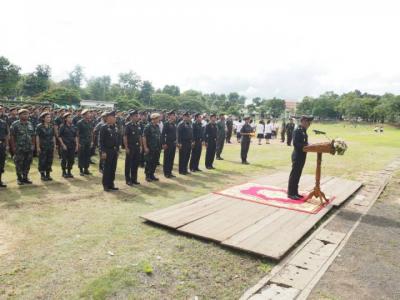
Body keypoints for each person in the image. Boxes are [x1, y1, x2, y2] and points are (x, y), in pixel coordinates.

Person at [287, 115, 313, 200]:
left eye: (309, 122)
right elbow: (296, 144)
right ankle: (291, 193)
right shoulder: (297, 130)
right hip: (297, 155)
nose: (308, 124)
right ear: (302, 121)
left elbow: (303, 142)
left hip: (302, 155)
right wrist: (306, 145)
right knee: (294, 174)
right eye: (307, 122)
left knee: (298, 174)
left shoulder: (303, 130)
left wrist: (308, 145)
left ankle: (295, 192)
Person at [10, 109, 35, 185]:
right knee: (19, 163)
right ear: (19, 115)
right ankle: (19, 178)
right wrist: (13, 147)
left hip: (29, 147)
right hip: (19, 148)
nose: (25, 115)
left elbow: (33, 135)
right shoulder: (15, 124)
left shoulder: (30, 124)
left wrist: (33, 145)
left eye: (27, 114)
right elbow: (12, 137)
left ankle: (25, 177)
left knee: (27, 163)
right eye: (23, 114)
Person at [99, 111, 120, 191]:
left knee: (113, 168)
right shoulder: (103, 127)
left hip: (114, 151)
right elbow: (101, 141)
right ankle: (106, 185)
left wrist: (117, 150)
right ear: (109, 118)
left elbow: (117, 139)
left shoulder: (115, 127)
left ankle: (111, 184)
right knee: (107, 168)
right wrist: (103, 152)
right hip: (107, 151)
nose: (115, 119)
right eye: (114, 117)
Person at [124, 110, 142, 185]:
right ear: (131, 117)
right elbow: (125, 137)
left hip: (137, 147)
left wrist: (141, 145)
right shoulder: (128, 125)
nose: (137, 117)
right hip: (130, 147)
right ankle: (128, 180)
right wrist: (126, 147)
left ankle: (134, 179)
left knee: (135, 163)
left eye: (137, 116)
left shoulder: (138, 125)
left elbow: (140, 136)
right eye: (136, 116)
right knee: (128, 164)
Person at [36, 112, 55, 181]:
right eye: (47, 117)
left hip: (50, 146)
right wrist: (38, 147)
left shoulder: (51, 126)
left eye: (49, 117)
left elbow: (53, 136)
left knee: (49, 160)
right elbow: (37, 137)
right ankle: (42, 175)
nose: (49, 118)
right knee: (42, 161)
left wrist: (54, 146)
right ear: (43, 118)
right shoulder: (39, 126)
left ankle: (48, 174)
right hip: (43, 146)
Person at [58, 113, 78, 178]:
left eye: (71, 117)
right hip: (65, 146)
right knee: (64, 159)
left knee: (71, 159)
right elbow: (59, 136)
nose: (70, 119)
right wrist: (63, 144)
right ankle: (64, 172)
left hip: (72, 145)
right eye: (69, 117)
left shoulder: (74, 126)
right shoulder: (62, 126)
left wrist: (77, 145)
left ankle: (69, 171)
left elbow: (75, 136)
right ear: (65, 119)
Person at [143, 113, 161, 182]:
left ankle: (152, 174)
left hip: (156, 148)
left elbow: (158, 136)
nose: (159, 119)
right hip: (150, 148)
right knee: (149, 162)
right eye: (158, 118)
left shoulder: (157, 126)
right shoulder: (148, 126)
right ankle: (147, 176)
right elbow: (144, 137)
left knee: (154, 162)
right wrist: (145, 147)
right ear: (154, 119)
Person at [76, 109, 93, 176]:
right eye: (88, 114)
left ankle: (86, 169)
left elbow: (91, 132)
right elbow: (77, 134)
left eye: (89, 113)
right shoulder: (79, 123)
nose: (89, 115)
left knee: (87, 155)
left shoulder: (90, 122)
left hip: (88, 141)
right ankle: (81, 170)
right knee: (81, 156)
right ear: (84, 115)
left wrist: (91, 141)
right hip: (82, 141)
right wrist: (78, 143)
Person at [161, 110, 177, 178]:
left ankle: (170, 171)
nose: (174, 116)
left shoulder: (174, 124)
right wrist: (163, 143)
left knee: (171, 158)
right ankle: (166, 173)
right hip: (168, 143)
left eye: (174, 115)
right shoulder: (166, 124)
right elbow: (162, 134)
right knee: (167, 158)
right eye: (173, 115)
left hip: (173, 143)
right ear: (169, 116)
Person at [0, 115, 9, 187]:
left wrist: (7, 145)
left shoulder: (3, 123)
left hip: (1, 145)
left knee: (1, 164)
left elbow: (6, 135)